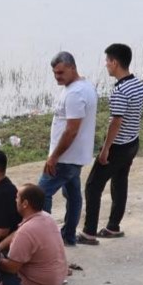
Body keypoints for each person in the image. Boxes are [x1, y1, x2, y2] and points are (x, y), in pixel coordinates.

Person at [85, 43, 143, 240]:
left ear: (115, 62)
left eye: (107, 61)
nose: (106, 65)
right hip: (133, 141)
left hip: (118, 146)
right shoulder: (139, 85)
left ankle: (88, 232)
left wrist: (105, 150)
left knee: (93, 186)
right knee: (120, 183)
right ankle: (113, 226)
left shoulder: (120, 91)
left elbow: (116, 121)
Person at [41, 52, 98, 246]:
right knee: (73, 195)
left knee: (41, 195)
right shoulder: (85, 86)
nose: (57, 77)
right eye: (55, 73)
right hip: (76, 156)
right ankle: (68, 235)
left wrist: (54, 156)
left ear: (72, 68)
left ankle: (45, 239)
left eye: (61, 72)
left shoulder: (75, 93)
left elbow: (71, 130)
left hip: (65, 158)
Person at [0, 184, 67, 285]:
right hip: (54, 280)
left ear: (25, 204)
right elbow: (17, 233)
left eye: (17, 197)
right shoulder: (46, 217)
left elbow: (11, 268)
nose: (15, 200)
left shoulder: (26, 231)